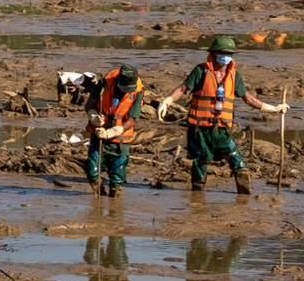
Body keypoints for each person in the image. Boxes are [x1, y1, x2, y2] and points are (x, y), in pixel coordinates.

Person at [155, 36, 288, 194]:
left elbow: (249, 99)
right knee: (200, 162)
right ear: (213, 53)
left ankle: (244, 198)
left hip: (222, 130)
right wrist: (167, 101)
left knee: (238, 163)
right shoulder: (201, 71)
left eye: (229, 53)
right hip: (200, 130)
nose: (225, 56)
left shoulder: (234, 76)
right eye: (222, 52)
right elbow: (183, 89)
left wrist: (273, 109)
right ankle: (197, 198)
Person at [85, 65, 144, 197]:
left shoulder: (137, 91)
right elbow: (89, 104)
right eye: (123, 88)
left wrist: (113, 132)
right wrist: (93, 116)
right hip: (98, 138)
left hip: (120, 143)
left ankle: (115, 207)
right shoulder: (105, 82)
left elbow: (131, 120)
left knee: (117, 180)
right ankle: (99, 194)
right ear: (118, 81)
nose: (125, 91)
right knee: (92, 172)